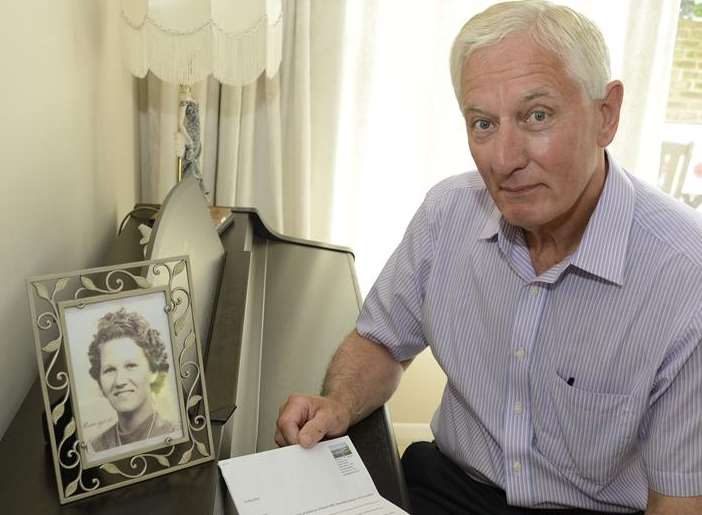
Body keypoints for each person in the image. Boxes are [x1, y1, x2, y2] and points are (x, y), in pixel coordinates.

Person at [275, 1, 702, 514]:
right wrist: (338, 403)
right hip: (448, 489)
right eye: (483, 124)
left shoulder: (685, 277)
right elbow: (381, 343)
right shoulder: (447, 212)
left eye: (536, 116)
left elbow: (679, 503)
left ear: (605, 115)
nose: (504, 160)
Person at [87, 308, 176, 452]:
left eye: (131, 366)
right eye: (109, 370)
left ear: (153, 370)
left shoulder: (174, 436)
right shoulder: (95, 448)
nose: (119, 381)